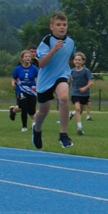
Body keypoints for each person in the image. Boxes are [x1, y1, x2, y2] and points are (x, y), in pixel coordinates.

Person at [32, 12, 77, 149]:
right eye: (58, 25)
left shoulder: (70, 42)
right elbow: (42, 64)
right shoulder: (46, 41)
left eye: (64, 25)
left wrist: (68, 72)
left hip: (61, 75)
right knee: (43, 111)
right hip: (45, 79)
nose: (62, 27)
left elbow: (68, 56)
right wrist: (53, 50)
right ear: (51, 27)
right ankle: (37, 130)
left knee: (63, 98)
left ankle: (63, 134)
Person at [10, 50, 38, 132]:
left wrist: (38, 87)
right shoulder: (18, 69)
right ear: (22, 58)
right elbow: (14, 78)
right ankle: (24, 126)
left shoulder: (34, 68)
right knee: (24, 107)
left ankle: (13, 110)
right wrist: (12, 84)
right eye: (26, 56)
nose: (28, 58)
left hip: (31, 91)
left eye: (29, 57)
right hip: (21, 90)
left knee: (32, 110)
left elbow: (38, 78)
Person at [69, 52, 94, 135]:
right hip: (75, 93)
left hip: (84, 94)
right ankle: (79, 127)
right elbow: (68, 81)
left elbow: (91, 82)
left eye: (79, 60)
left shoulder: (86, 71)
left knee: (80, 111)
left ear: (83, 61)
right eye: (76, 60)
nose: (77, 61)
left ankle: (72, 113)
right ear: (73, 61)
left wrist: (84, 88)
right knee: (77, 109)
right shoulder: (71, 71)